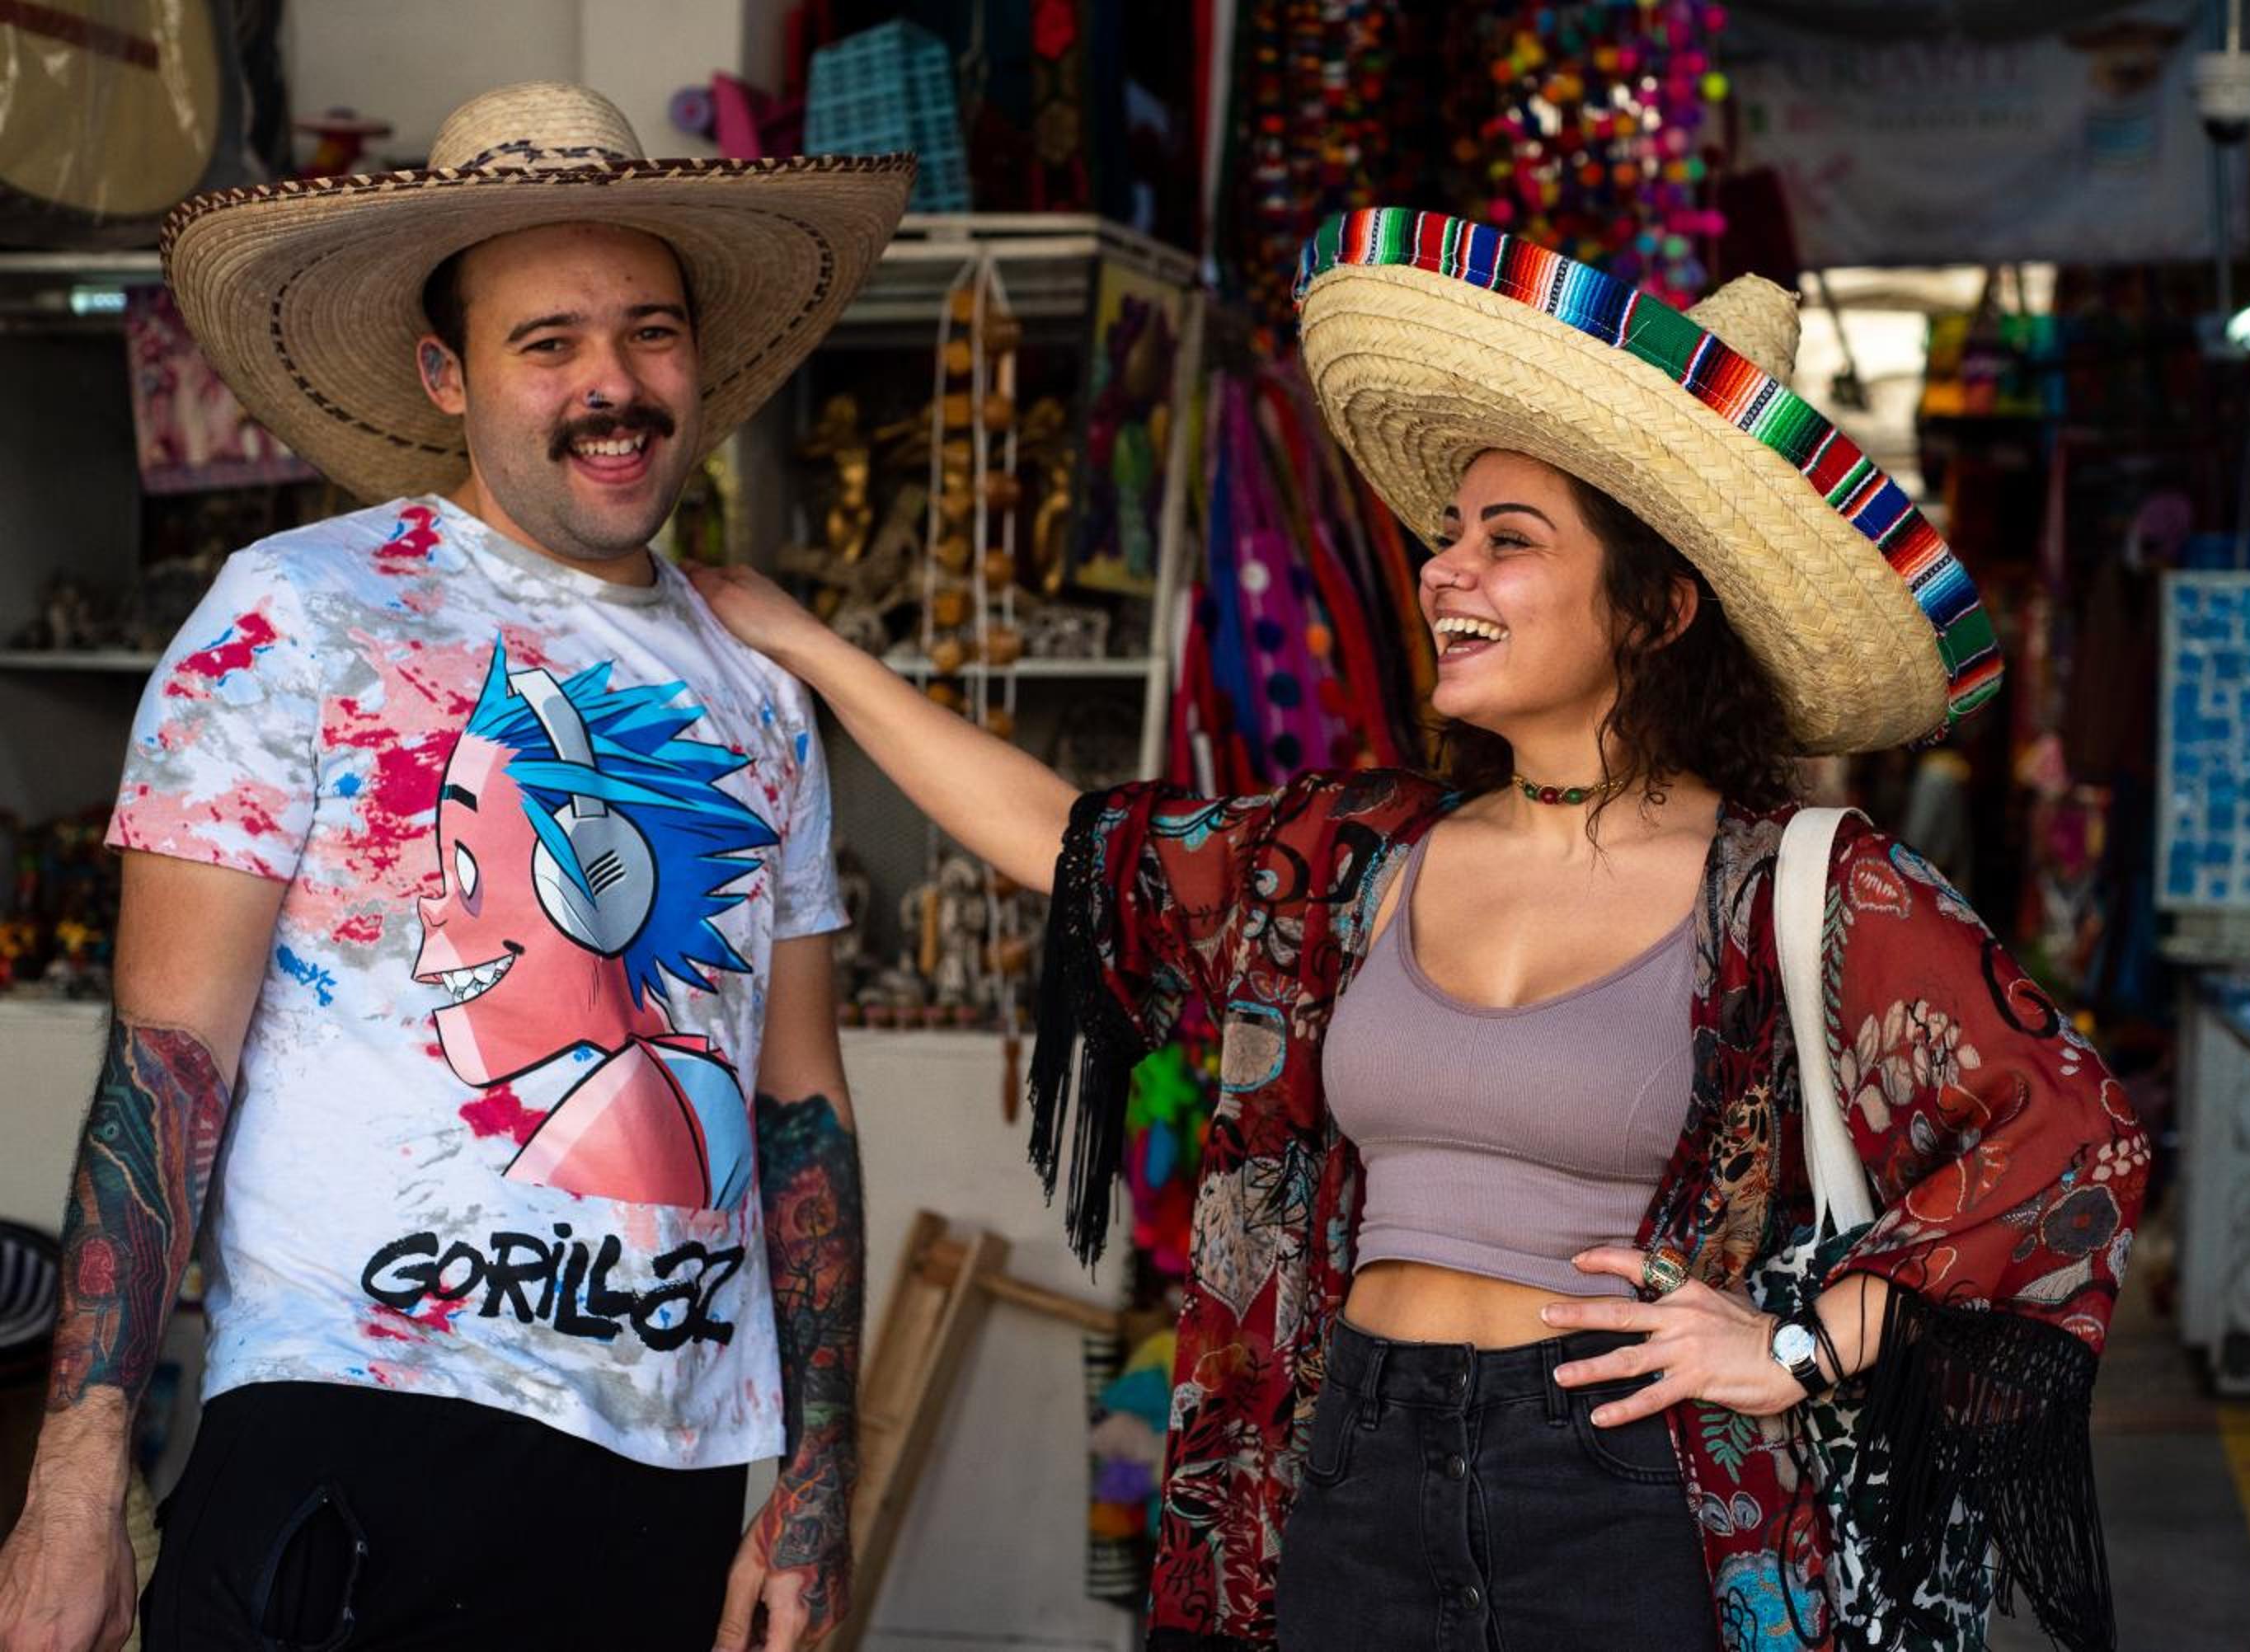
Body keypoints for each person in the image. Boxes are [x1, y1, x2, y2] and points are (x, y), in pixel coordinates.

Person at [688, 207, 2147, 1651]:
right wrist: (809, 647)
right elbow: (1067, 840)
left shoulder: (1794, 887)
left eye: (1508, 542)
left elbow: (2075, 1140)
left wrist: (1801, 1344)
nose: (1445, 570)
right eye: (1450, 535)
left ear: (1659, 609)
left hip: (1627, 1490)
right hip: (1357, 1464)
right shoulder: (1355, 859)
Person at [0, 83, 911, 1652]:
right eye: (547, 342)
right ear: (447, 374)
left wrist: (817, 1481)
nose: (611, 383)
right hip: (351, 1427)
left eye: (649, 332)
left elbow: (800, 1106)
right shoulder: (299, 613)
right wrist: (75, 1481)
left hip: (666, 1468)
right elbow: (167, 1066)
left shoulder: (759, 687)